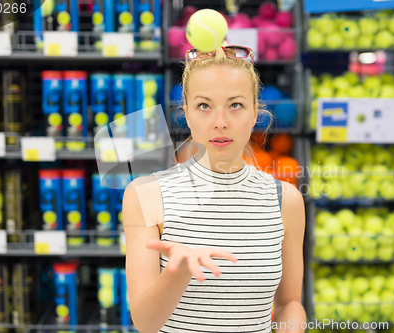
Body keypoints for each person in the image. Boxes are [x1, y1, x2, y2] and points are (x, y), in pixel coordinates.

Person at [123, 45, 306, 333]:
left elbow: (289, 304)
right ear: (186, 112)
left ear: (256, 110)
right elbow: (145, 323)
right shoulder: (146, 194)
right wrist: (177, 272)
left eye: (235, 105)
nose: (220, 123)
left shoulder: (286, 200)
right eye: (204, 106)